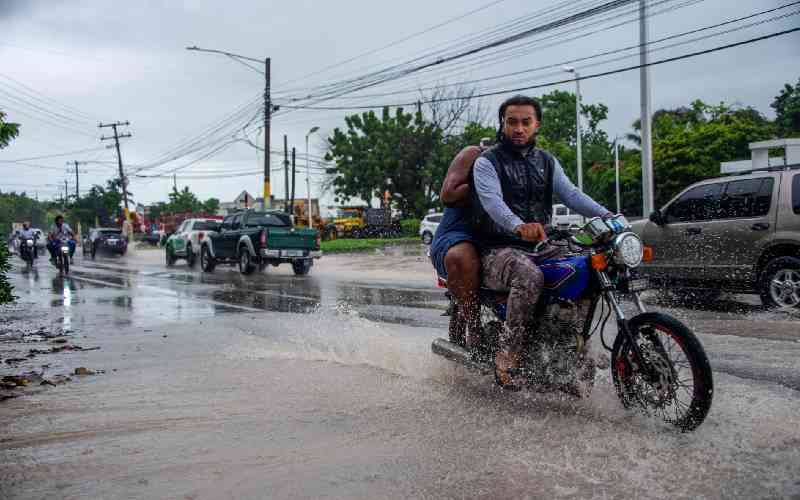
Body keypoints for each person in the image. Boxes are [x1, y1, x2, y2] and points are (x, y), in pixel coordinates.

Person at [471, 95, 613, 390]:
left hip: (541, 244)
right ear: (502, 124)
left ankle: (572, 343)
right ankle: (508, 354)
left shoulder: (547, 161)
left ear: (537, 125)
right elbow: (493, 203)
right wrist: (517, 225)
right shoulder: (487, 162)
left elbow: (571, 195)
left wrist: (609, 216)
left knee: (589, 267)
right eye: (512, 122)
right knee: (529, 276)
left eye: (526, 122)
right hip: (498, 248)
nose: (518, 128)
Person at [430, 145, 484, 350]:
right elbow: (447, 194)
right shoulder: (474, 154)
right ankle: (475, 329)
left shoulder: (537, 161)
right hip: (456, 236)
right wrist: (486, 183)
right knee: (462, 257)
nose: (520, 131)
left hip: (499, 236)